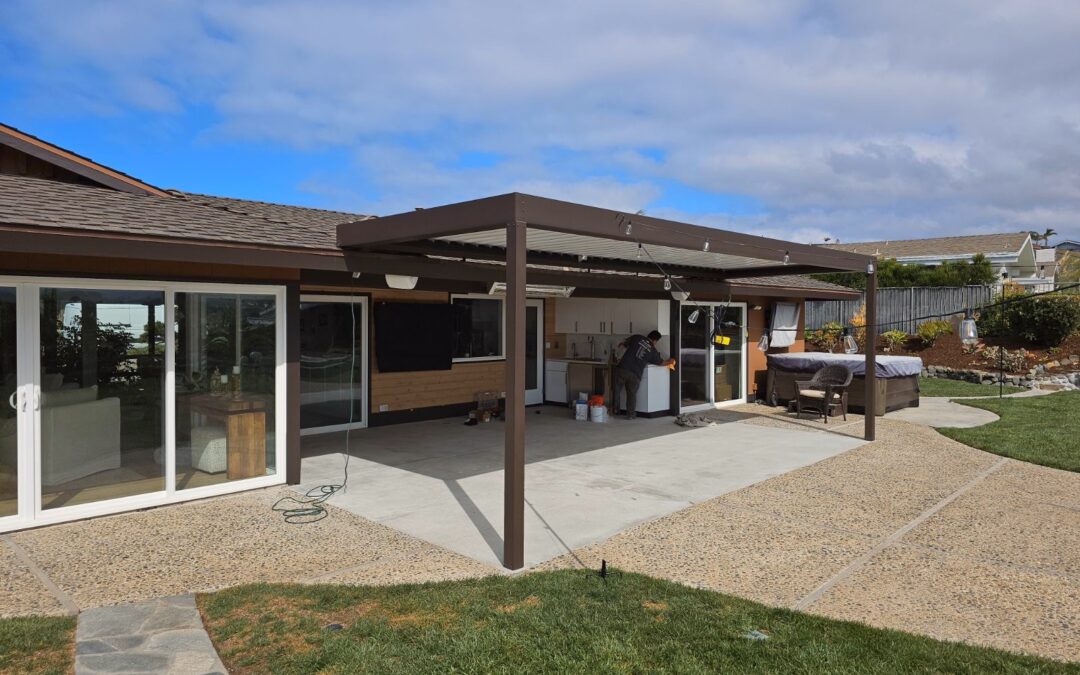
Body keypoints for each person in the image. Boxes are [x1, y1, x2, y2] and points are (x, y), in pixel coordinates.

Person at [613, 330, 672, 419]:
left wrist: (618, 356)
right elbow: (661, 363)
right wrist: (671, 361)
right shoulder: (652, 350)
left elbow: (622, 344)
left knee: (616, 390)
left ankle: (613, 411)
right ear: (655, 341)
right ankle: (631, 415)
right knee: (631, 395)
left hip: (623, 368)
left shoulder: (637, 337)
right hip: (635, 374)